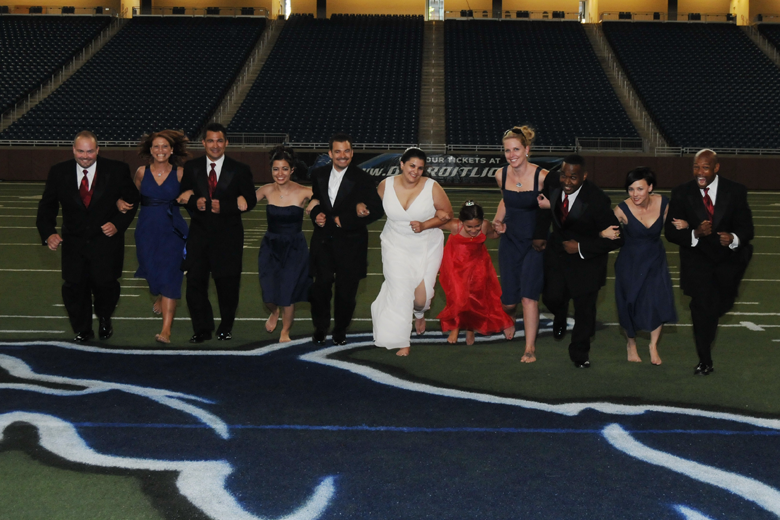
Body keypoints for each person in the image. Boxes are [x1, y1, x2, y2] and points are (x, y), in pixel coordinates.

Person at [36, 130, 139, 341]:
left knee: (106, 286)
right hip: (73, 243)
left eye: (90, 151)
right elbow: (47, 207)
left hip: (107, 242)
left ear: (98, 150)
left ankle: (104, 317)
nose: (85, 156)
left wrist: (117, 224)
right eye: (81, 151)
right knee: (74, 288)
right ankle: (82, 329)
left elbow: (132, 200)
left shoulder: (117, 170)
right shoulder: (58, 172)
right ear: (73, 150)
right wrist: (49, 234)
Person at [664, 149, 753, 376]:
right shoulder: (682, 192)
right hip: (698, 262)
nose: (699, 172)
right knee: (701, 310)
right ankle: (705, 359)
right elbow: (670, 233)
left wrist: (733, 238)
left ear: (716, 168)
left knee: (717, 308)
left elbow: (747, 229)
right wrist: (695, 232)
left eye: (705, 167)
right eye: (696, 167)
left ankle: (707, 337)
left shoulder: (735, 191)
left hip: (727, 263)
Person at [538, 154, 623, 368]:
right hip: (557, 254)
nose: (567, 181)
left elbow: (619, 237)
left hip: (587, 262)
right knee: (551, 297)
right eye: (564, 175)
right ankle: (560, 313)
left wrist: (581, 247)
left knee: (585, 310)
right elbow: (546, 207)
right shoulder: (552, 181)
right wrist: (539, 233)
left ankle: (580, 353)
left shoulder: (597, 200)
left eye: (573, 178)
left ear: (584, 176)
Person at [179, 123, 257, 343]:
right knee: (195, 283)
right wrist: (196, 202)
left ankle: (225, 326)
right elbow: (183, 195)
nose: (215, 145)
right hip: (199, 236)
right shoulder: (192, 167)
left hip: (228, 237)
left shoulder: (240, 168)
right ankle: (202, 328)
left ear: (226, 143)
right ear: (203, 143)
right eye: (210, 140)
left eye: (219, 140)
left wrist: (227, 206)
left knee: (227, 285)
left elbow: (250, 200)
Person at [371, 147, 453, 356]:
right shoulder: (385, 185)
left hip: (427, 245)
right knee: (400, 292)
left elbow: (447, 214)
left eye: (420, 168)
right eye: (412, 166)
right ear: (402, 164)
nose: (415, 171)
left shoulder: (432, 187)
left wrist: (426, 224)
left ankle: (420, 313)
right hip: (394, 244)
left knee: (421, 299)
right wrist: (360, 207)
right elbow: (370, 207)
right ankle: (402, 341)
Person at [308, 133, 384, 346]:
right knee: (320, 288)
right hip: (323, 241)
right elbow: (316, 201)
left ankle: (340, 330)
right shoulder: (319, 174)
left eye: (347, 151)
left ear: (352, 152)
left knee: (346, 292)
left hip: (351, 243)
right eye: (338, 151)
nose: (343, 156)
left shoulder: (364, 179)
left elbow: (377, 210)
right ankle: (320, 328)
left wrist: (347, 219)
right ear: (330, 153)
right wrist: (316, 216)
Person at [601, 167, 676, 365]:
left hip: (655, 260)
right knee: (629, 304)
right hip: (630, 262)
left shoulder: (664, 203)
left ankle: (653, 346)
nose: (635, 194)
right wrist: (603, 234)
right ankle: (631, 344)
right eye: (631, 189)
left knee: (658, 300)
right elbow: (601, 229)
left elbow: (674, 229)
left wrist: (684, 225)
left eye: (640, 189)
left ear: (650, 187)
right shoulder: (621, 210)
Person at [492, 126, 548, 363]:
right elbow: (505, 201)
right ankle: (510, 317)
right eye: (507, 150)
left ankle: (529, 348)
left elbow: (556, 207)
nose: (511, 154)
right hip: (510, 241)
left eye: (516, 149)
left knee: (528, 297)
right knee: (508, 302)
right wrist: (497, 219)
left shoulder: (542, 177)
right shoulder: (500, 175)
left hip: (535, 244)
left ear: (527, 149)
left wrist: (548, 208)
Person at [129, 130, 190, 344]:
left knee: (171, 277)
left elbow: (196, 193)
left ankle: (166, 330)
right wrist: (120, 203)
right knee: (152, 273)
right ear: (150, 150)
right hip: (147, 230)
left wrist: (189, 194)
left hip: (173, 230)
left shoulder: (181, 173)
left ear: (172, 150)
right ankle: (159, 293)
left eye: (165, 146)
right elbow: (132, 197)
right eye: (156, 146)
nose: (160, 150)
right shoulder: (140, 173)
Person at [252, 146, 312, 343]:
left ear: (292, 170)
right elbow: (242, 202)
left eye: (284, 169)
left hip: (294, 248)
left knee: (288, 292)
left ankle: (285, 331)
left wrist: (316, 204)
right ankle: (274, 311)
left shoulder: (304, 191)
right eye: (276, 169)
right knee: (268, 294)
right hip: (270, 246)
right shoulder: (266, 190)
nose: (280, 173)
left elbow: (328, 201)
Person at [438, 200, 514, 345]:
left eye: (477, 226)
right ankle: (456, 326)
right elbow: (433, 222)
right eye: (469, 227)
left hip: (478, 262)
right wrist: (439, 214)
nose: (474, 230)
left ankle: (470, 328)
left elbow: (493, 235)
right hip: (455, 262)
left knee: (476, 295)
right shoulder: (454, 225)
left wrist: (499, 229)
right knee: (459, 296)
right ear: (462, 222)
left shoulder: (485, 225)